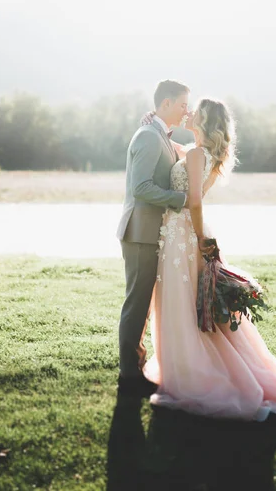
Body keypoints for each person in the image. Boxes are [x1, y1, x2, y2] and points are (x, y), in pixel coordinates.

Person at [143, 97, 276, 421]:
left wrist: (201, 241)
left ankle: (199, 375)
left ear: (203, 120)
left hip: (186, 237)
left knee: (187, 305)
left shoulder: (198, 154)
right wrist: (159, 129)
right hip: (183, 235)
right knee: (192, 305)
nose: (188, 112)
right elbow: (180, 160)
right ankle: (187, 368)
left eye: (194, 110)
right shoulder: (200, 153)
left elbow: (195, 202)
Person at [116, 80, 191, 396]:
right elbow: (141, 187)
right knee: (137, 302)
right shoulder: (148, 135)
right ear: (167, 104)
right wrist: (180, 199)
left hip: (151, 233)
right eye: (183, 104)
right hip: (139, 232)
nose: (187, 110)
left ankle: (137, 365)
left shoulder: (159, 133)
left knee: (144, 303)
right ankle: (129, 375)